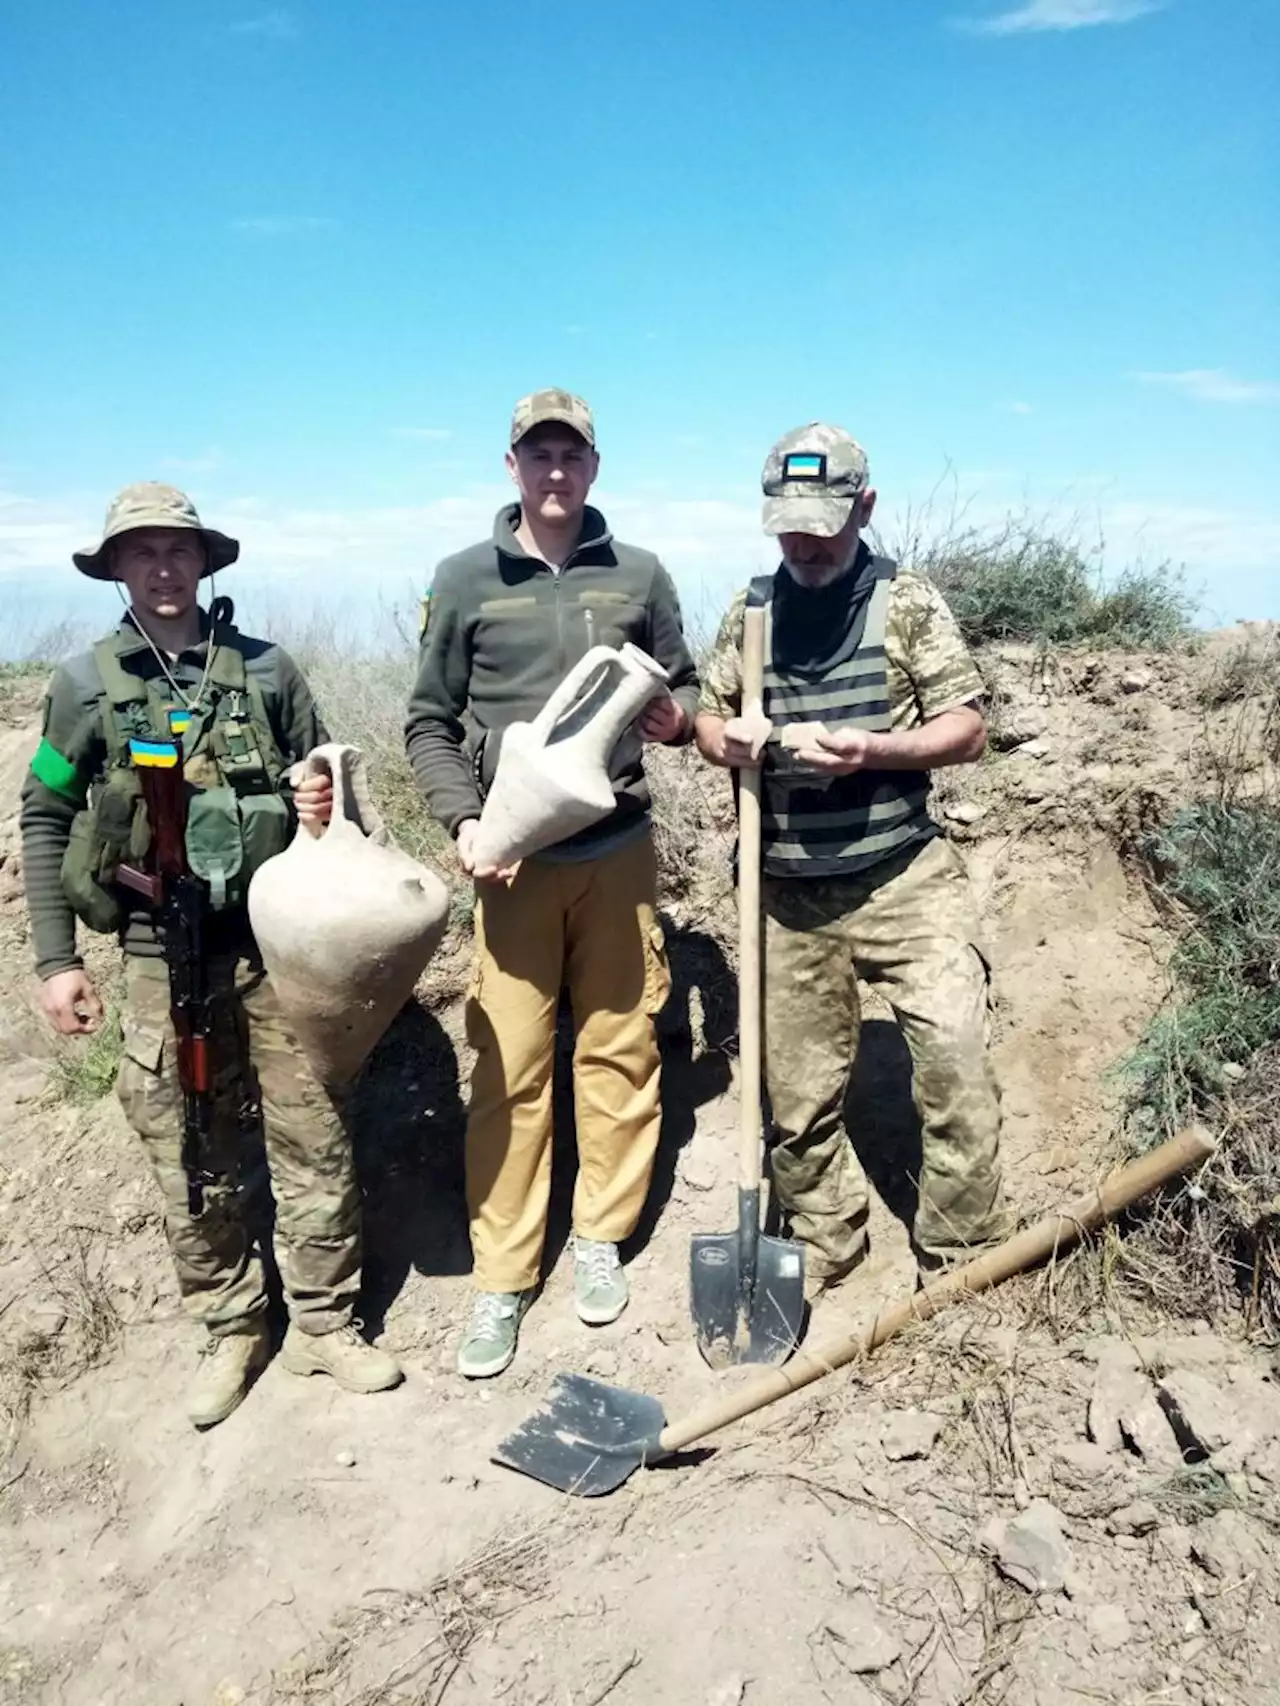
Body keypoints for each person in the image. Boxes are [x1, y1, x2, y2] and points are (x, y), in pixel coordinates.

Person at [20, 482, 403, 1428]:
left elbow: (339, 786)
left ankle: (323, 1327)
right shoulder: (82, 685)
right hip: (157, 955)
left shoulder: (268, 672)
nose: (161, 569)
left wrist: (321, 806)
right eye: (141, 553)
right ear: (115, 569)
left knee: (313, 1132)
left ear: (205, 563)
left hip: (280, 949)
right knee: (187, 1148)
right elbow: (45, 815)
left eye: (178, 552)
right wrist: (54, 960)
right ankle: (233, 1326)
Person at [405, 388, 700, 1377]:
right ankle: (501, 1272)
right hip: (514, 860)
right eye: (539, 454)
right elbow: (428, 722)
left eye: (571, 454)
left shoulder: (639, 572)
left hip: (616, 850)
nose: (556, 471)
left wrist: (677, 720)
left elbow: (684, 679)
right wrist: (462, 821)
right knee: (508, 1065)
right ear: (512, 466)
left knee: (619, 1052)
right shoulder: (462, 579)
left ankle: (598, 1237)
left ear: (594, 464)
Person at [695, 424, 1012, 1295]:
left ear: (864, 508)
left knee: (954, 1065)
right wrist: (735, 742)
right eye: (787, 525)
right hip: (785, 891)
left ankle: (962, 1250)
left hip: (905, 881)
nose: (803, 542)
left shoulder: (907, 605)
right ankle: (827, 1241)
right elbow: (706, 721)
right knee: (794, 1104)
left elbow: (968, 729)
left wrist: (872, 751)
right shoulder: (750, 610)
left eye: (823, 523)